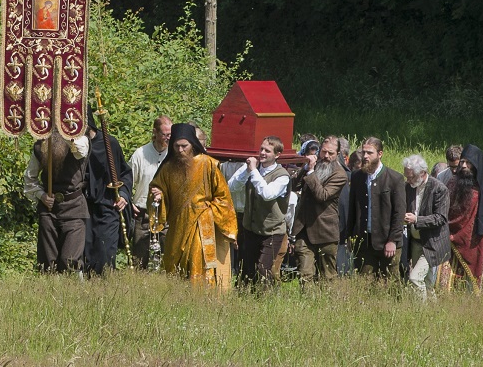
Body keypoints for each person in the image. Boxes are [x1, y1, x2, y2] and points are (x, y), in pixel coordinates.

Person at [149, 123, 238, 290]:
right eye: (177, 146)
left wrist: (208, 212)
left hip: (201, 224)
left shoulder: (208, 164)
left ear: (193, 144)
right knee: (175, 263)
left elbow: (223, 197)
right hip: (177, 225)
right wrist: (158, 195)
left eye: (185, 146)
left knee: (199, 261)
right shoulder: (167, 168)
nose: (181, 150)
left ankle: (201, 297)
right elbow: (158, 189)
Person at [227, 136, 291, 285]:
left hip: (272, 231)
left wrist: (254, 171)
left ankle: (265, 299)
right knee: (247, 269)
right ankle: (245, 299)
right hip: (251, 227)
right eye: (261, 149)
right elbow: (231, 187)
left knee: (263, 269)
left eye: (267, 151)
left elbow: (267, 194)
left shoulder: (282, 176)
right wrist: (246, 172)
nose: (262, 153)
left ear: (277, 155)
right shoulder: (252, 168)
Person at [23, 134, 90, 273]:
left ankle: (72, 293)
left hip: (74, 207)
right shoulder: (40, 146)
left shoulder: (80, 141)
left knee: (70, 260)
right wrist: (41, 196)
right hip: (49, 209)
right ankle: (49, 293)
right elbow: (30, 179)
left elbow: (80, 150)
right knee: (47, 262)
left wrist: (67, 132)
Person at [344, 137, 403, 279]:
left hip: (387, 242)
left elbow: (399, 213)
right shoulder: (357, 176)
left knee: (390, 284)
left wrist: (393, 241)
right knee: (364, 283)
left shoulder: (395, 178)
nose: (365, 156)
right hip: (364, 241)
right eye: (364, 152)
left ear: (380, 154)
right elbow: (352, 208)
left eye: (369, 153)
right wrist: (350, 238)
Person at [444, 144, 483, 293]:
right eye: (462, 162)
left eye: (468, 163)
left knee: (473, 278)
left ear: (475, 166)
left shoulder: (482, 189)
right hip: (451, 238)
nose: (463, 166)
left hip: (475, 239)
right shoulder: (452, 183)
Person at [292, 136, 348, 281]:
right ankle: (308, 302)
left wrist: (310, 173)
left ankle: (328, 303)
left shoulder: (339, 174)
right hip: (304, 227)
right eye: (323, 152)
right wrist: (305, 169)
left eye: (331, 153)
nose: (326, 156)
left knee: (327, 276)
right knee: (305, 274)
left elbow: (322, 195)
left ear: (338, 155)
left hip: (325, 230)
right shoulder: (313, 165)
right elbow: (293, 186)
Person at [85, 118, 133, 275]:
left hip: (108, 207)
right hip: (83, 207)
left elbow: (125, 173)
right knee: (85, 254)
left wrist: (124, 195)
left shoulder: (109, 143)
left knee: (105, 254)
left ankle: (104, 292)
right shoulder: (73, 146)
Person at [400, 155, 449, 300]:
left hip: (432, 243)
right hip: (415, 242)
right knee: (427, 282)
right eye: (406, 176)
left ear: (422, 173)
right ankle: (432, 313)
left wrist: (417, 220)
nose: (408, 180)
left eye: (411, 177)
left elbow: (441, 218)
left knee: (415, 278)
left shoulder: (439, 188)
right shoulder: (408, 187)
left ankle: (419, 314)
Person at [129, 116, 172, 268]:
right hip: (143, 216)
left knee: (168, 260)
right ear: (155, 132)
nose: (167, 138)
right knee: (140, 261)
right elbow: (127, 181)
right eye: (164, 134)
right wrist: (128, 203)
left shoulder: (174, 155)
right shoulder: (140, 154)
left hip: (166, 216)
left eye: (170, 135)